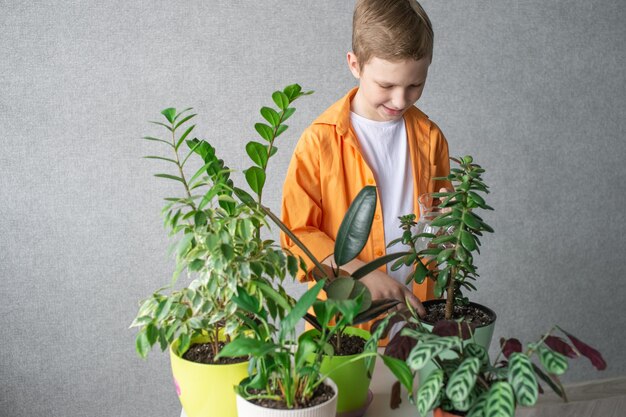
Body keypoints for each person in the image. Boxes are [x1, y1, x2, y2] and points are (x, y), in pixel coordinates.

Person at [280, 0, 451, 333]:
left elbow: (445, 222)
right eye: (386, 86)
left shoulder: (431, 138)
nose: (401, 100)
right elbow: (297, 236)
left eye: (415, 85)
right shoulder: (319, 142)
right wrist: (361, 274)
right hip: (343, 331)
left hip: (418, 323)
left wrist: (446, 230)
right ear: (355, 64)